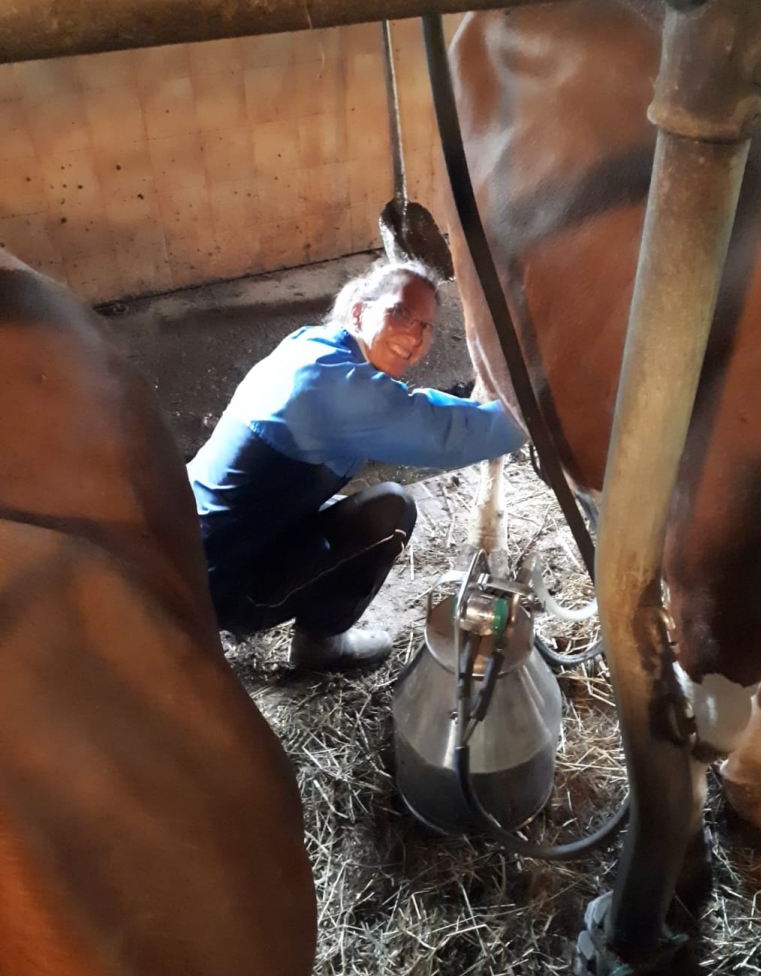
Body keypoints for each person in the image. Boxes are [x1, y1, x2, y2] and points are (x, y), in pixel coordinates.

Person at [188, 259, 526, 671]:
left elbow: (415, 407)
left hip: (190, 545)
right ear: (359, 312)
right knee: (390, 514)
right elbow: (453, 435)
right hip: (217, 584)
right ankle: (320, 647)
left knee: (367, 505)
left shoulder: (313, 346)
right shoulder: (337, 391)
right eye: (400, 312)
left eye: (425, 326)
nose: (415, 336)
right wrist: (549, 413)